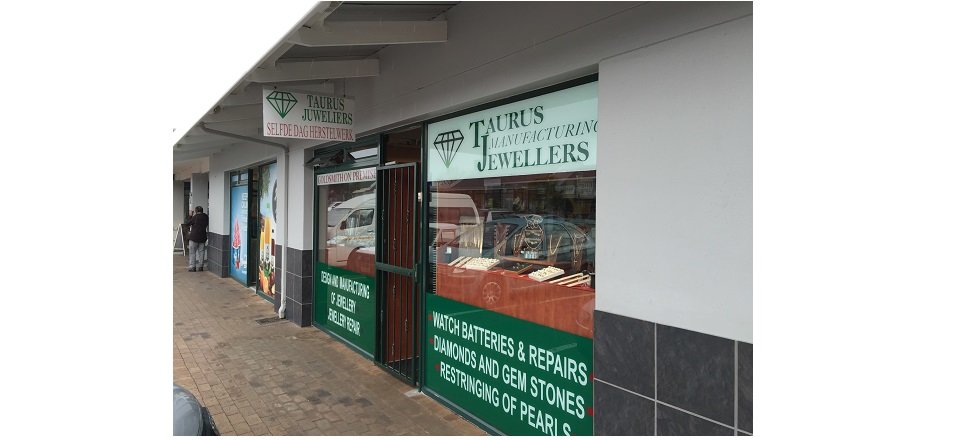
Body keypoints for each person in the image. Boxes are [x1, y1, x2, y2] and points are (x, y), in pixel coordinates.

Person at [186, 206, 209, 272]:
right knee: (201, 252)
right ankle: (201, 267)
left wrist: (190, 215)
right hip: (202, 237)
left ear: (196, 211)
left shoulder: (195, 217)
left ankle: (193, 267)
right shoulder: (206, 217)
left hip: (194, 237)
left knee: (192, 253)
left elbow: (188, 223)